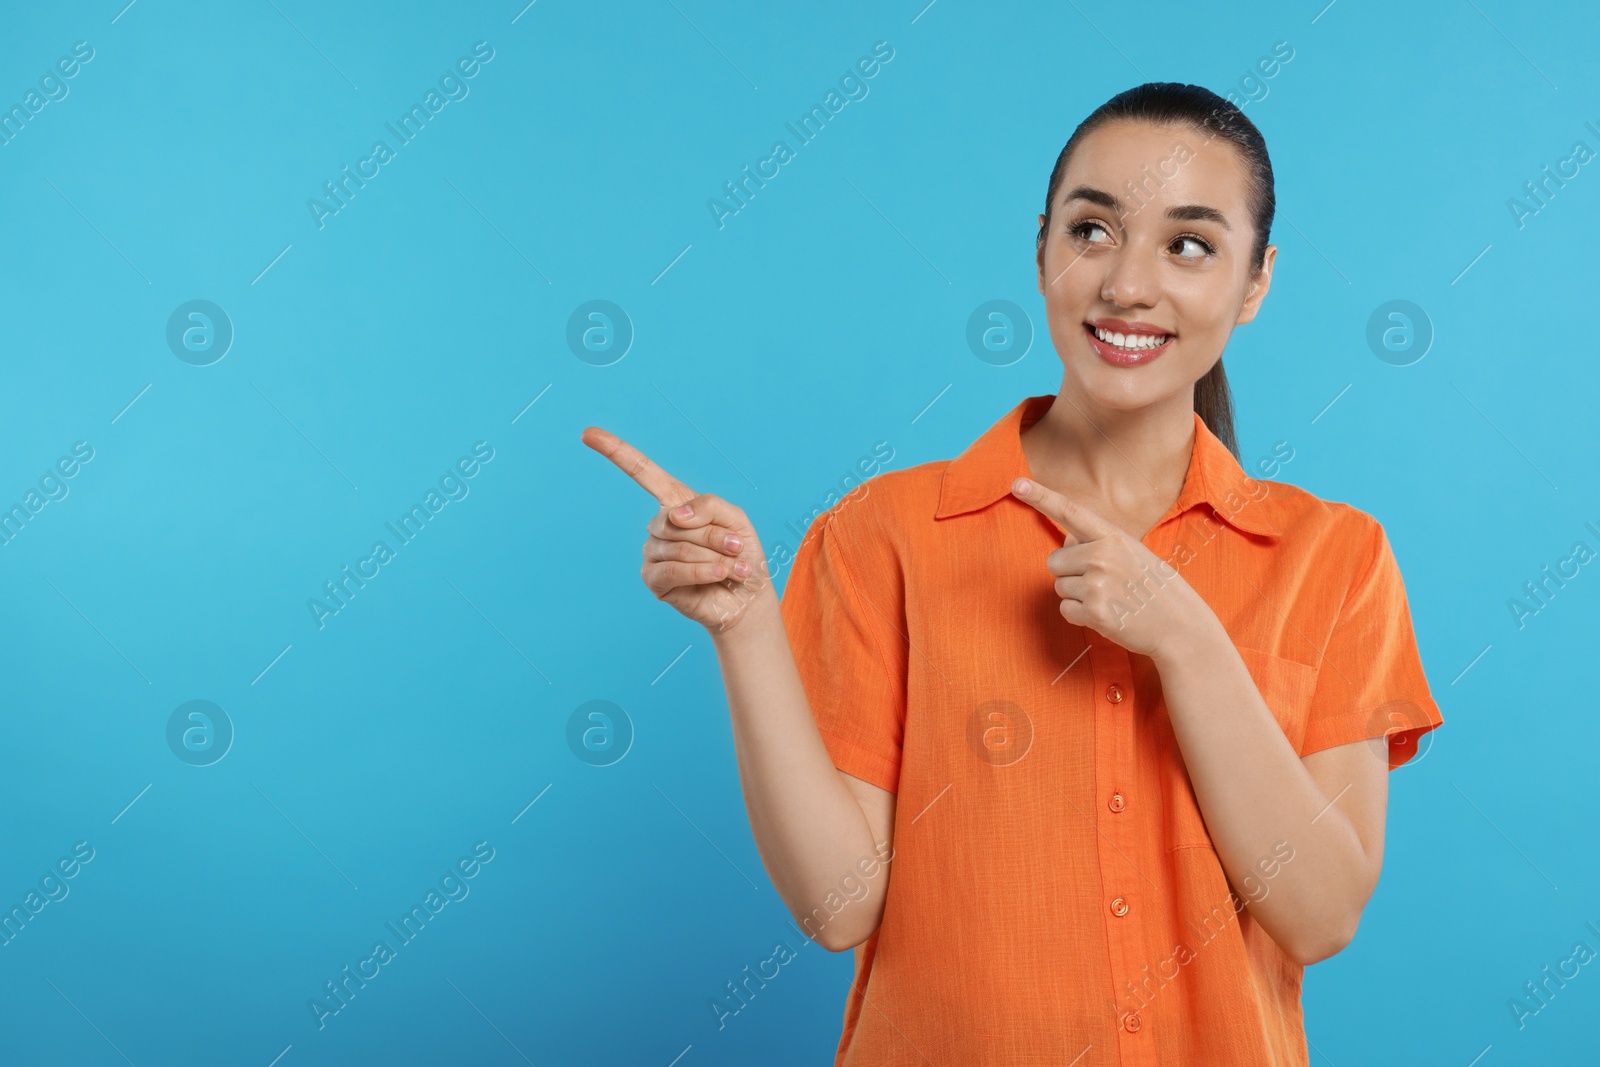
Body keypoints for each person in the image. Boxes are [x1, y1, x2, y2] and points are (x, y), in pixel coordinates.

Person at [583, 81, 1443, 1067]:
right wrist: (742, 625)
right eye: (1091, 230)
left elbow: (1321, 911)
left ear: (1255, 282)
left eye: (1189, 244)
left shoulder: (1335, 557)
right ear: (1041, 249)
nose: (1127, 283)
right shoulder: (883, 534)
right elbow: (836, 903)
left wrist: (1188, 641)